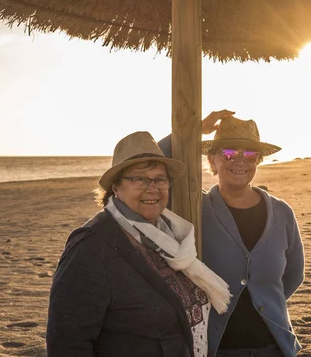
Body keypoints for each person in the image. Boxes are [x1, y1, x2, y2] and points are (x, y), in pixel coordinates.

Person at [46, 131, 231, 357]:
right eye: (139, 179)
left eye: (160, 179)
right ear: (115, 186)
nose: (152, 188)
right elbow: (67, 343)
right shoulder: (90, 247)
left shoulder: (171, 235)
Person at [160, 113, 305, 357]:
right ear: (212, 161)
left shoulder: (282, 213)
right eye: (228, 152)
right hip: (215, 348)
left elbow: (293, 275)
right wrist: (191, 131)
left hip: (275, 347)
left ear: (258, 160)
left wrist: (263, 298)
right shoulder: (194, 209)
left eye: (249, 154)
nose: (239, 160)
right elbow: (144, 164)